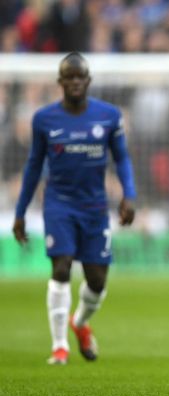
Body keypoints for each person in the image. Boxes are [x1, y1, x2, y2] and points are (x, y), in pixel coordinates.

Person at [13, 52, 136, 365]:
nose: (75, 82)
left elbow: (121, 158)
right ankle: (59, 347)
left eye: (80, 77)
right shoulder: (44, 119)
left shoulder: (108, 116)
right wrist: (20, 212)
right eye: (69, 77)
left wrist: (128, 195)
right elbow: (32, 165)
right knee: (62, 267)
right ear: (61, 82)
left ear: (88, 81)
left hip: (95, 207)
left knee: (97, 281)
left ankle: (79, 323)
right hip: (59, 204)